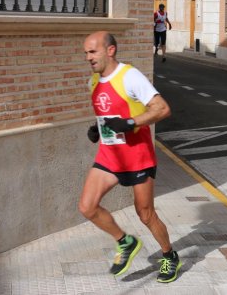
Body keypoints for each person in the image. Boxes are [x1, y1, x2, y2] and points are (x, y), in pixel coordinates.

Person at [80, 31, 181, 283]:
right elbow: (108, 111)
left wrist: (130, 122)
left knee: (145, 214)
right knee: (86, 207)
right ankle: (125, 242)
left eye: (92, 51)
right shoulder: (93, 81)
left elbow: (162, 108)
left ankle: (169, 255)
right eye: (86, 53)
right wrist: (98, 128)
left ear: (110, 50)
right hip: (110, 155)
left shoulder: (130, 76)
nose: (88, 57)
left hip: (138, 156)